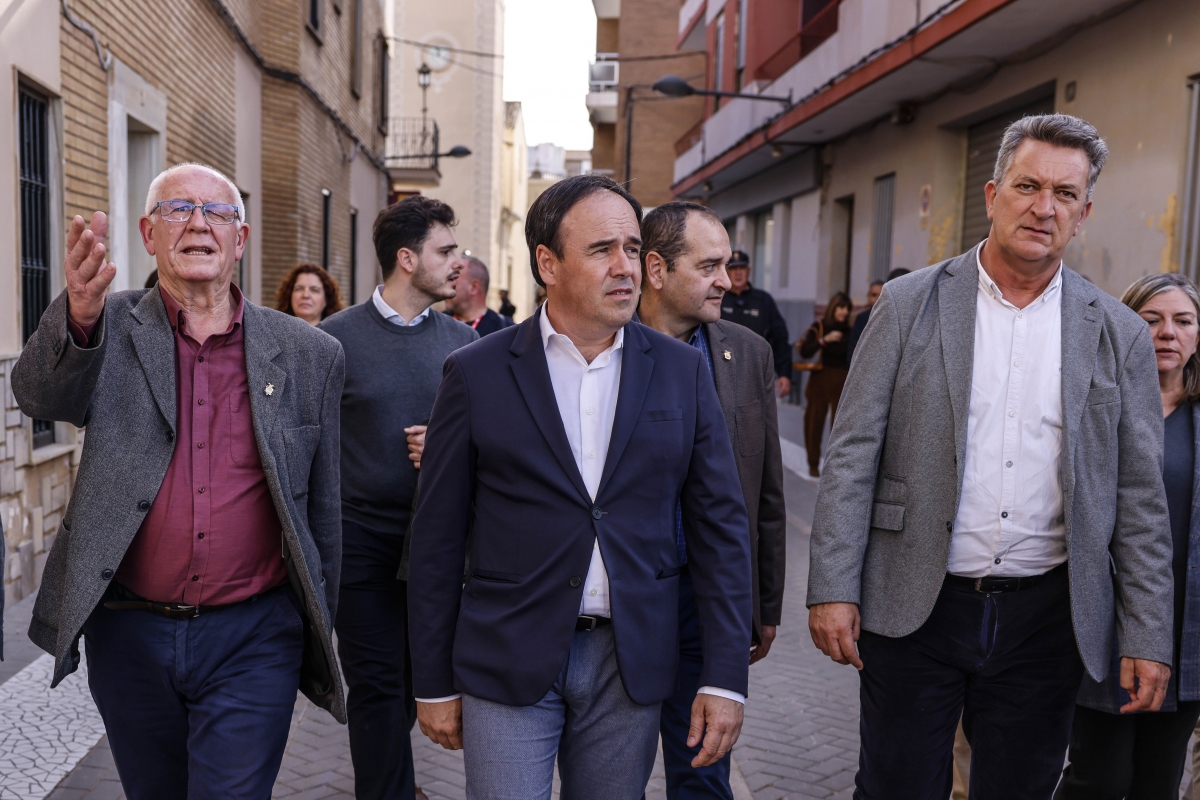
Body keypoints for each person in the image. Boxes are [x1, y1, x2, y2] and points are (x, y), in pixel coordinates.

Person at [806, 113, 1174, 800]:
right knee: (894, 786)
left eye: (1065, 194)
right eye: (1029, 185)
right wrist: (832, 586)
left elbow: (1139, 497)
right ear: (992, 194)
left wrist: (1147, 632)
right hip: (916, 604)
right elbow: (854, 448)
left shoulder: (1118, 333)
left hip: (1047, 620)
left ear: (1084, 211)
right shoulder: (910, 304)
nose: (1044, 207)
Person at [407, 174, 753, 800]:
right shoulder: (476, 372)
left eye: (631, 247)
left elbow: (721, 531)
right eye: (602, 250)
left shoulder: (681, 372)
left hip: (631, 661)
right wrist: (433, 682)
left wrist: (724, 678)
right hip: (507, 656)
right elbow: (436, 537)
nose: (627, 267)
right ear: (548, 263)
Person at [11, 163, 346, 799]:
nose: (198, 223)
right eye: (178, 210)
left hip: (253, 635)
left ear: (240, 240)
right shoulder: (105, 327)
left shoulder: (309, 354)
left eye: (218, 213)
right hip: (130, 633)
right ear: (148, 233)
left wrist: (322, 623)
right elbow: (36, 395)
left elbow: (323, 508)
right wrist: (76, 318)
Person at [318, 195, 476, 800]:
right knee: (378, 684)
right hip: (360, 543)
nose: (457, 263)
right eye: (445, 251)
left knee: (419, 679)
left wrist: (449, 449)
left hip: (440, 545)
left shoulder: (464, 342)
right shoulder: (333, 341)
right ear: (407, 260)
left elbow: (493, 442)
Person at [637, 201, 786, 799]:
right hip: (620, 600)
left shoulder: (746, 352)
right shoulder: (602, 347)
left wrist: (764, 604)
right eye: (709, 267)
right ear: (656, 270)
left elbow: (766, 488)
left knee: (702, 773)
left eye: (727, 266)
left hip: (707, 601)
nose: (727, 280)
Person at [1054, 272, 1200, 800]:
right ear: (1125, 329)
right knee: (1098, 776)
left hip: (1187, 626)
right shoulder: (1098, 403)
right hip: (1106, 619)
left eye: (1183, 321)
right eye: (1151, 319)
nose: (1168, 333)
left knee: (1158, 781)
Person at [721, 250, 792, 398]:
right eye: (733, 269)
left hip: (755, 374)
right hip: (722, 371)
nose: (738, 273)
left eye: (742, 268)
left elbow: (780, 337)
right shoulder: (717, 298)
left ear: (749, 271)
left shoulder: (763, 301)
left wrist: (784, 373)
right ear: (726, 271)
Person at [797, 293, 853, 478]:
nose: (844, 312)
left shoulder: (851, 331)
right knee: (814, 422)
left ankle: (837, 466)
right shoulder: (820, 327)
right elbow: (804, 350)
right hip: (820, 378)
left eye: (847, 308)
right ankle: (813, 463)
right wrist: (824, 340)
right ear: (833, 307)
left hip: (842, 379)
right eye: (840, 307)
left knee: (841, 425)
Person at [846, 269, 909, 364]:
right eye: (874, 295)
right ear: (868, 297)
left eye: (881, 294)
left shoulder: (899, 316)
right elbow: (854, 348)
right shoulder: (862, 318)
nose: (877, 298)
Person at [444, 256, 515, 336]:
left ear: (474, 287)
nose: (445, 287)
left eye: (453, 280)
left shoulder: (506, 330)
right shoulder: (435, 325)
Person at [276, 263, 344, 325]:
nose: (305, 295)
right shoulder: (272, 333)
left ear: (327, 299)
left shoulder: (339, 337)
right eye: (299, 289)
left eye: (314, 290)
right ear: (289, 295)